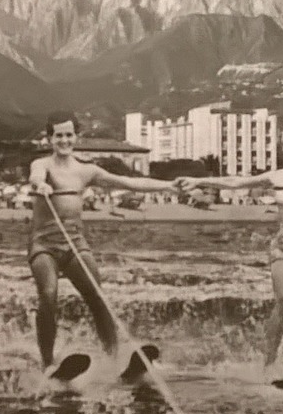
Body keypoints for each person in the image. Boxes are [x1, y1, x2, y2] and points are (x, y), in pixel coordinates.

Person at [176, 123, 283, 379]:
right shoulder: (275, 178)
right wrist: (199, 180)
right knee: (281, 301)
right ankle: (269, 365)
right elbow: (235, 182)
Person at [28, 111, 175, 372]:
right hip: (44, 247)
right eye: (58, 135)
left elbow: (129, 182)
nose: (64, 140)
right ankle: (47, 364)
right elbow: (35, 175)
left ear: (76, 136)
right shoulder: (43, 166)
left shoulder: (87, 170)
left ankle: (113, 359)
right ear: (49, 138)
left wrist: (168, 187)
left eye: (69, 134)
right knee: (48, 294)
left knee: (98, 297)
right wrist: (41, 185)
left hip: (75, 245)